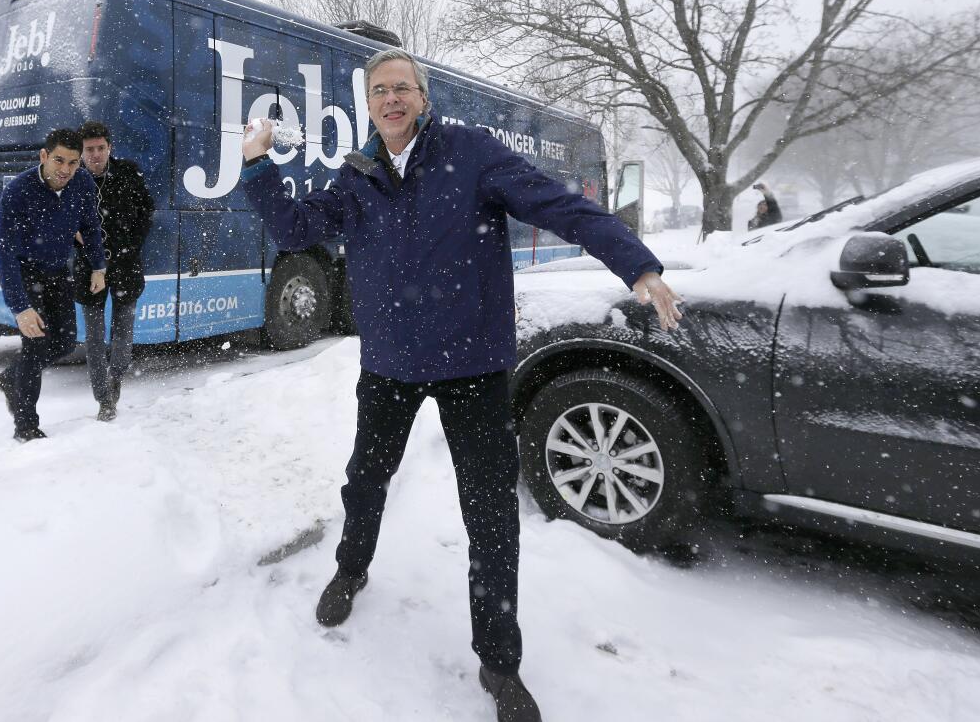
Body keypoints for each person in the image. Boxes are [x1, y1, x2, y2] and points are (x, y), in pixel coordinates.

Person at [240, 48, 682, 722]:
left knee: (490, 514)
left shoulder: (471, 153)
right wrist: (257, 165)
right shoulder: (356, 176)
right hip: (389, 365)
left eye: (403, 88)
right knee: (366, 481)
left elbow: (560, 207)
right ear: (369, 105)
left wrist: (637, 266)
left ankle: (500, 663)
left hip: (473, 365)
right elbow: (296, 229)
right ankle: (352, 568)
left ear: (423, 95)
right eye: (380, 90)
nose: (392, 99)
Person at [0, 129, 106, 443]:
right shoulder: (18, 191)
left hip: (58, 273)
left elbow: (90, 225)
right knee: (35, 346)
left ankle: (9, 378)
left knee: (67, 342)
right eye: (59, 160)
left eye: (73, 162)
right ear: (44, 156)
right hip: (26, 273)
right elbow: (4, 253)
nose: (66, 169)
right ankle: (26, 426)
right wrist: (20, 307)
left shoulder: (82, 182)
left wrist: (98, 266)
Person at [73, 121, 155, 422]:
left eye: (100, 148)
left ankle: (116, 377)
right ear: (81, 152)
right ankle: (104, 400)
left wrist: (131, 246)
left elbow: (147, 210)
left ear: (110, 148)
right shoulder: (73, 180)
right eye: (89, 149)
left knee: (123, 340)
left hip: (126, 267)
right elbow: (60, 218)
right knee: (95, 340)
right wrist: (75, 235)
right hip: (88, 270)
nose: (95, 155)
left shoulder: (128, 173)